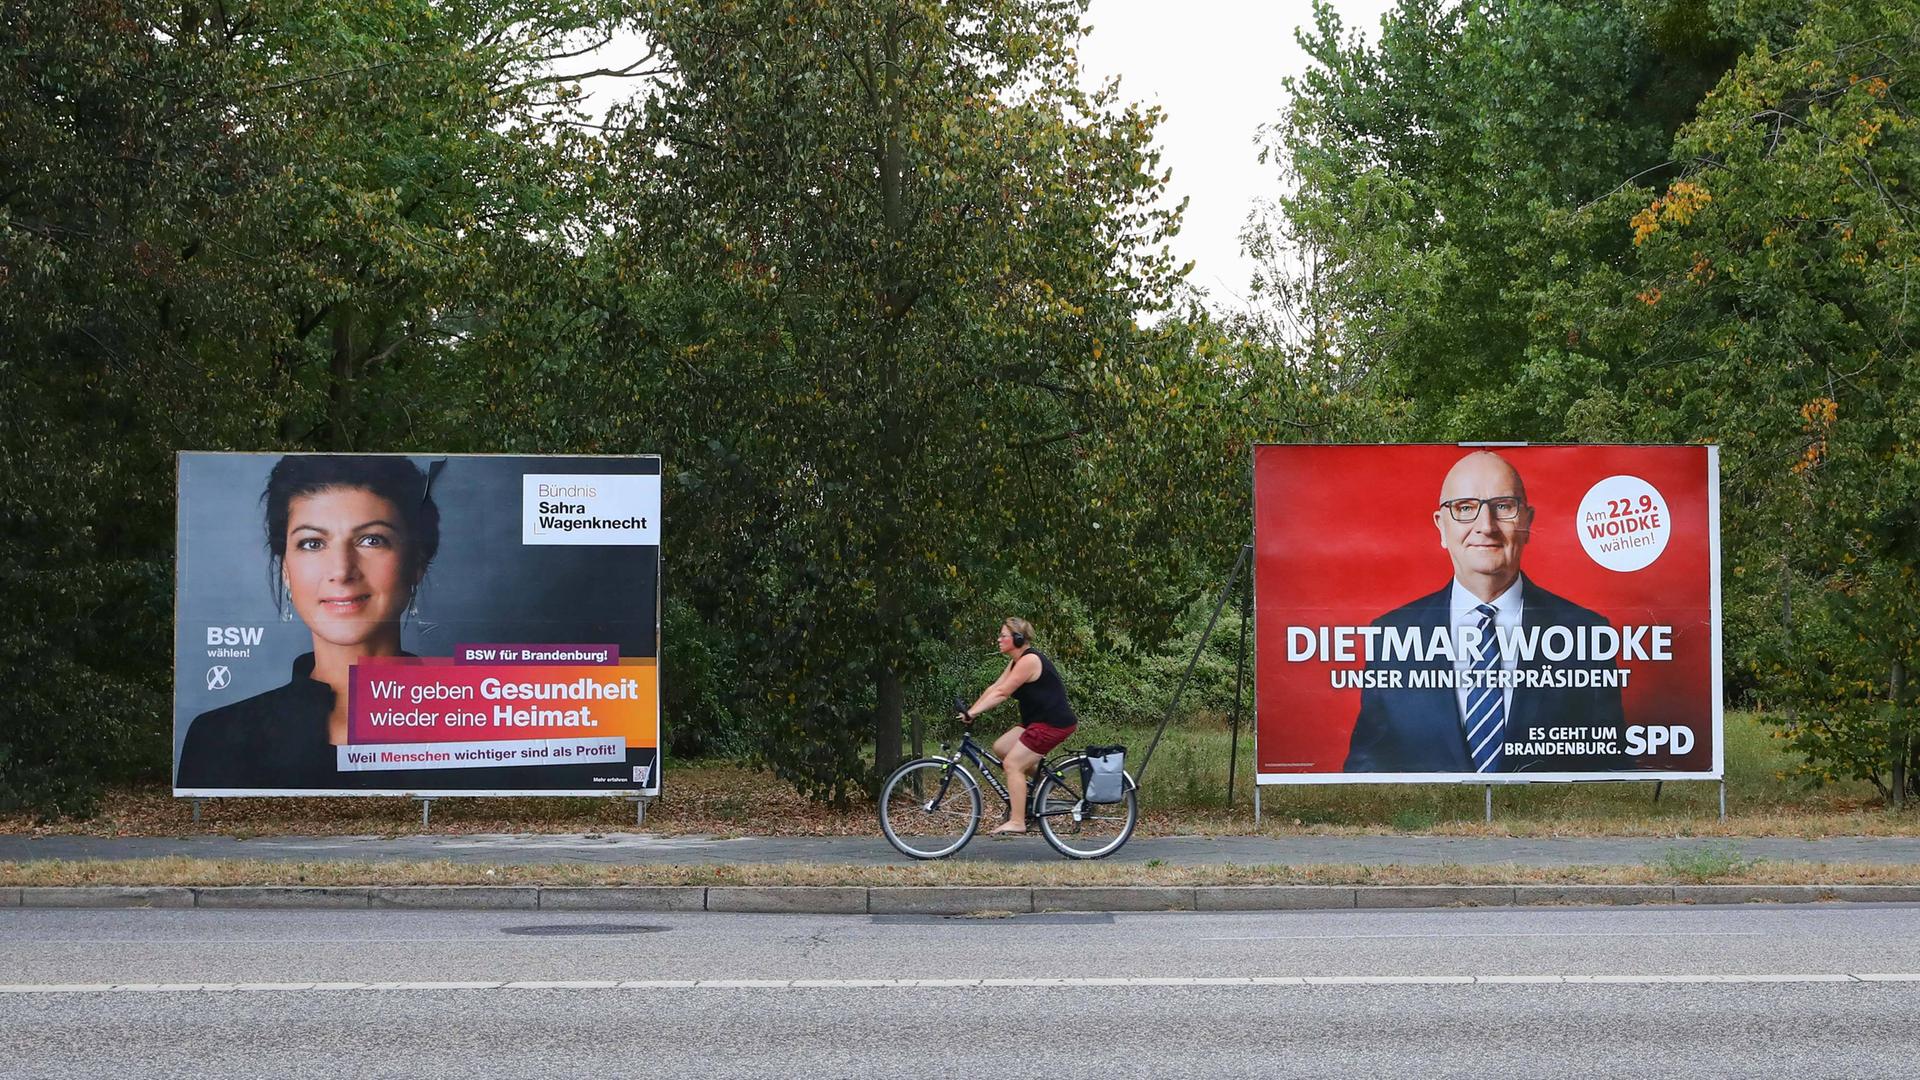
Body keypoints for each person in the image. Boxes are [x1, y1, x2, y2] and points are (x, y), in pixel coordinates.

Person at [1343, 450, 1627, 773]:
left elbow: (1610, 773)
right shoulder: (1392, 636)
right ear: (1441, 527)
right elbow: (1364, 772)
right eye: (1465, 508)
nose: (1486, 526)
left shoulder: (1586, 635)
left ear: (1528, 522)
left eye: (1503, 506)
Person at [178, 455, 439, 789]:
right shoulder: (217, 737)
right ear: (286, 569)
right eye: (312, 543)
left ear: (416, 561)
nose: (342, 571)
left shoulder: (475, 726)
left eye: (372, 539)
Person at [958, 618, 1079, 835]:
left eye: (1003, 635)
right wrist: (971, 710)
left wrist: (974, 712)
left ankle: (1017, 821)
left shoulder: (1029, 660)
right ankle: (1044, 782)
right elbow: (996, 687)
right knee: (1002, 747)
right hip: (1037, 722)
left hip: (1052, 723)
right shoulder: (1016, 661)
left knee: (1013, 764)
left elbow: (1003, 694)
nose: (999, 639)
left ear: (1018, 638)